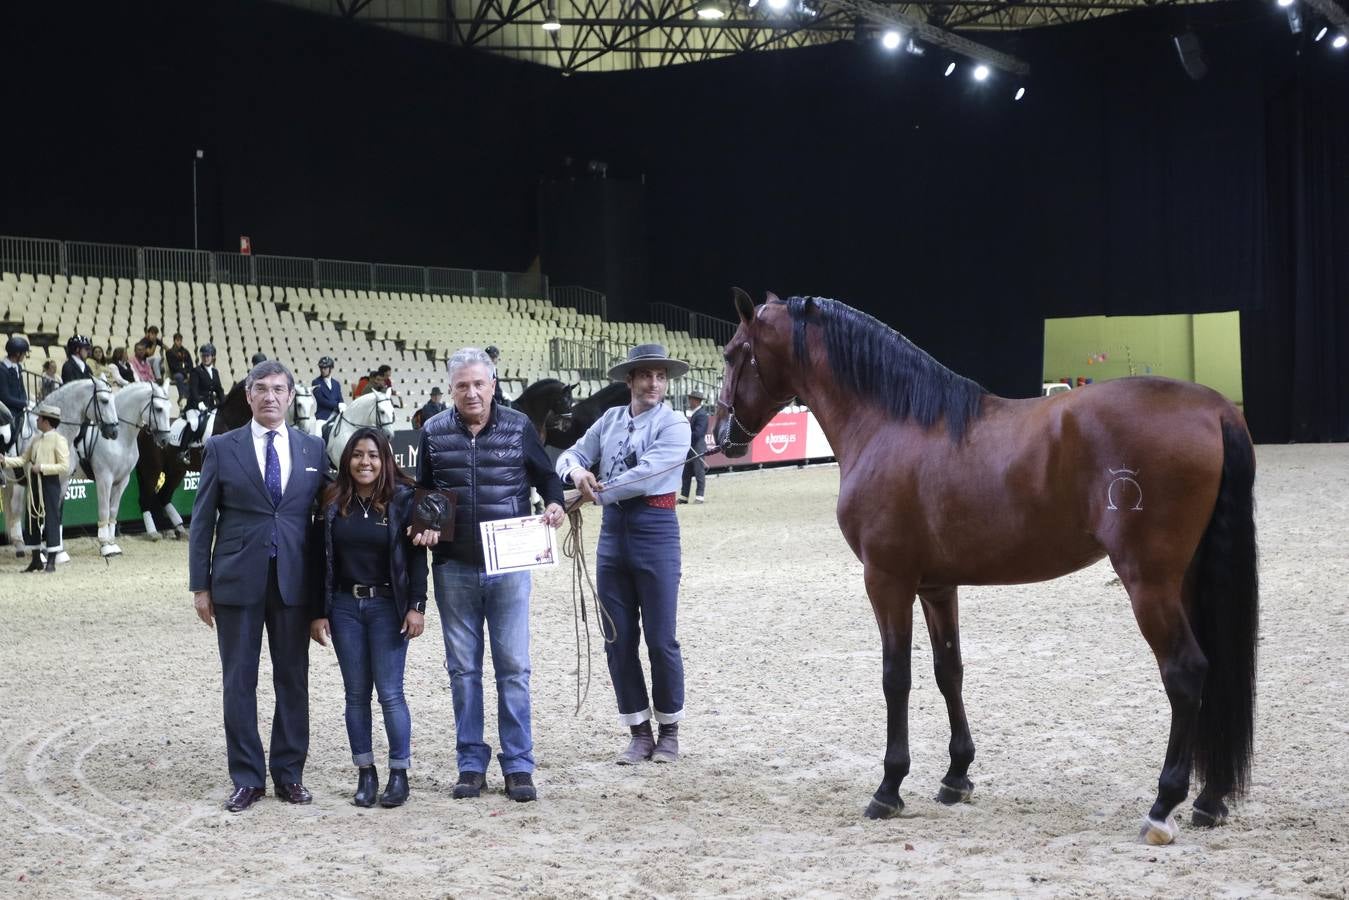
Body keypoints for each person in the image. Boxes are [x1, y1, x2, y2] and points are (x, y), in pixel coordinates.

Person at [415, 347, 565, 803]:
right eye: (462, 385)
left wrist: (555, 501)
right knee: (463, 671)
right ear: (451, 390)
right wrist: (421, 526)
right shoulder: (433, 431)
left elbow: (546, 476)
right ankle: (470, 764)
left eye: (479, 383)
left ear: (493, 385)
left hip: (511, 566)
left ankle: (519, 765)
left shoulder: (519, 426)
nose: (472, 392)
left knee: (514, 668)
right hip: (453, 568)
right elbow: (422, 492)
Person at [188, 360, 328, 813]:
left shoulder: (313, 448)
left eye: (279, 390)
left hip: (294, 583)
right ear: (249, 396)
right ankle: (247, 777)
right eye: (261, 389)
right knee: (238, 682)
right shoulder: (221, 448)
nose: (270, 397)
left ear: (291, 396)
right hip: (234, 583)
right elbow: (202, 521)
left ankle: (289, 774)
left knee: (293, 680)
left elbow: (330, 511)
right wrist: (199, 585)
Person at [555, 343, 691, 765]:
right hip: (613, 536)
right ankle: (638, 731)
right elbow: (570, 455)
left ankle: (669, 730)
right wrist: (577, 473)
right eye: (646, 375)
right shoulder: (609, 420)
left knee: (661, 638)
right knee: (618, 638)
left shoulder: (676, 424)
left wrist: (592, 494)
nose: (654, 383)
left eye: (660, 376)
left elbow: (649, 473)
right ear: (630, 380)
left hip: (655, 530)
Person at [310, 427, 428, 808]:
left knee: (391, 694)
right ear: (347, 460)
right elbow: (318, 560)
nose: (366, 462)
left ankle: (398, 773)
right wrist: (318, 612)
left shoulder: (403, 500)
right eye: (358, 454)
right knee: (355, 695)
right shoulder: (331, 501)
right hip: (344, 607)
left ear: (385, 460)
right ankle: (366, 772)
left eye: (374, 455)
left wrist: (417, 606)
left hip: (387, 607)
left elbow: (416, 559)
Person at [3, 402, 68, 573]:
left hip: (50, 484)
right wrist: (5, 461)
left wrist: (43, 468)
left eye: (39, 418)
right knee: (32, 520)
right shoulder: (36, 439)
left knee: (51, 520)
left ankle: (51, 561)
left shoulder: (59, 440)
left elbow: (64, 466)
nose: (37, 419)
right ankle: (36, 560)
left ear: (46, 421)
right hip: (33, 483)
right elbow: (23, 459)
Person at [679, 389, 710, 505]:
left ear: (696, 401)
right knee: (686, 472)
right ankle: (684, 496)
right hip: (690, 447)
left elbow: (698, 433)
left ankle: (699, 496)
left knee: (699, 472)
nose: (689, 402)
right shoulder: (696, 414)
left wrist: (686, 434)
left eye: (690, 399)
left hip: (697, 447)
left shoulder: (702, 415)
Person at [1, 337, 29, 452]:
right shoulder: (2, 370)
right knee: (8, 434)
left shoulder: (18, 367)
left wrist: (26, 401)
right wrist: (23, 403)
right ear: (17, 353)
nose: (25, 356)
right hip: (5, 409)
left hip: (17, 407)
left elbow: (21, 389)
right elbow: (4, 397)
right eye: (24, 353)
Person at [188, 344, 225, 412]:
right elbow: (193, 390)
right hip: (196, 406)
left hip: (210, 406)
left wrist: (224, 403)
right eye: (203, 356)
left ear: (212, 357)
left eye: (208, 356)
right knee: (194, 422)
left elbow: (219, 390)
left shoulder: (215, 372)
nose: (205, 358)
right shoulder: (196, 371)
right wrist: (199, 403)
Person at [166, 333, 194, 405]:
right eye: (178, 340)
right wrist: (185, 373)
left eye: (180, 340)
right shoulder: (169, 352)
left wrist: (189, 373)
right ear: (174, 341)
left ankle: (191, 397)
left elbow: (190, 364)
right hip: (176, 373)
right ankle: (182, 396)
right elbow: (174, 366)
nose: (179, 342)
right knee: (179, 376)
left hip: (186, 373)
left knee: (194, 375)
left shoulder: (185, 352)